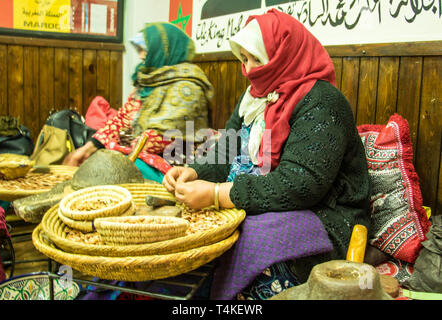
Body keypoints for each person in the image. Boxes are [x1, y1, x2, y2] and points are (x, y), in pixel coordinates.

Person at [163, 9, 371, 300]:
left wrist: (216, 195)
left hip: (324, 215)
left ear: (284, 55)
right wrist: (195, 173)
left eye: (256, 59)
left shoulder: (322, 102)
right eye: (244, 60)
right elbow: (228, 147)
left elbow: (301, 185)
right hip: (257, 200)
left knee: (248, 239)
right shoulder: (254, 97)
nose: (248, 70)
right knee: (190, 229)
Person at [63, 22, 214, 183]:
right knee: (100, 163)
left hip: (179, 163)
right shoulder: (148, 80)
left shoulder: (189, 88)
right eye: (140, 50)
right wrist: (88, 148)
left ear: (163, 50)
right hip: (139, 152)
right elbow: (123, 118)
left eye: (145, 50)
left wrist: (113, 153)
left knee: (117, 171)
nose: (141, 56)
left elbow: (160, 137)